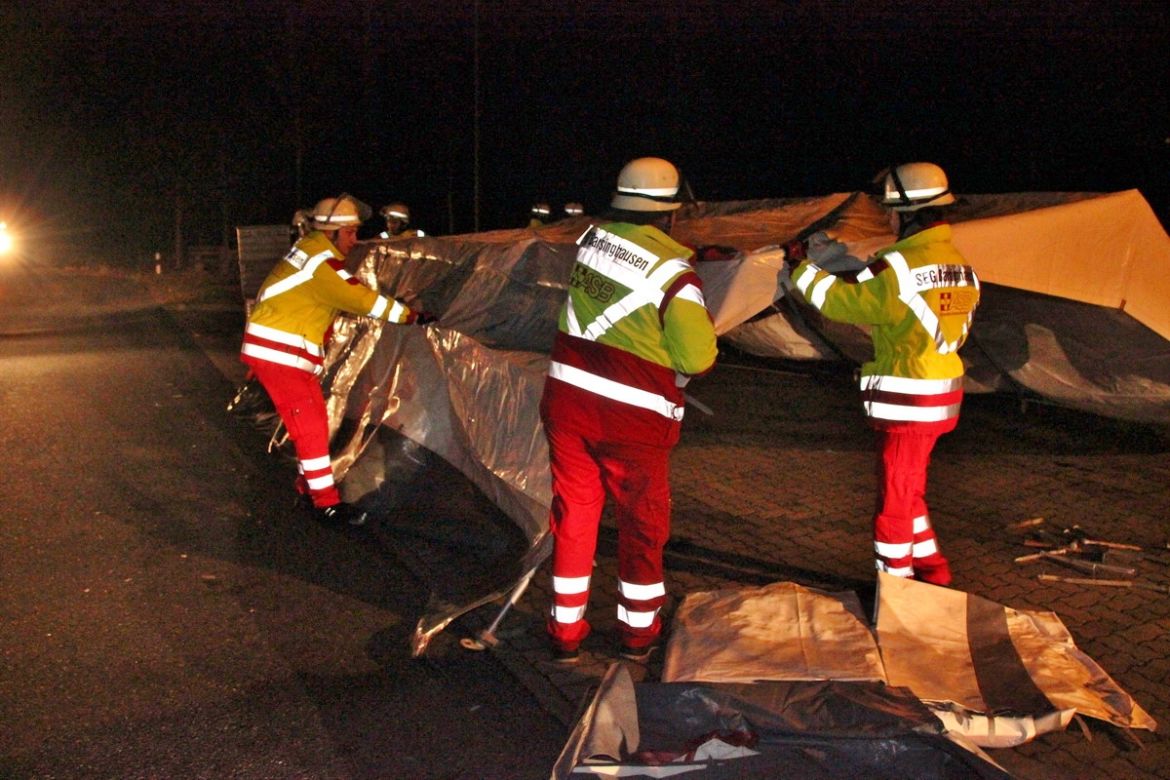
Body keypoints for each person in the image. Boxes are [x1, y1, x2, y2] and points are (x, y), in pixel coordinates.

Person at [541, 157, 718, 663]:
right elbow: (696, 358)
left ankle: (564, 631)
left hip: (568, 406)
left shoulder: (592, 243)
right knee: (641, 526)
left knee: (574, 516)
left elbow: (626, 272)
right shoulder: (676, 278)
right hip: (632, 420)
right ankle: (638, 634)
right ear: (671, 215)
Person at [785, 162, 980, 586]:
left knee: (893, 505)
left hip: (909, 400)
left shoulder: (899, 266)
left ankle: (897, 590)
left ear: (905, 214)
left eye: (891, 213)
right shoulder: (957, 261)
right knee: (910, 492)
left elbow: (842, 302)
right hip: (941, 396)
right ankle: (934, 570)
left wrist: (800, 268)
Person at [240, 194, 422, 527]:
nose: (355, 239)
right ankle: (325, 504)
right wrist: (412, 315)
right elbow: (362, 299)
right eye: (351, 232)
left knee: (314, 422)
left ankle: (310, 488)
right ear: (332, 232)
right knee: (309, 425)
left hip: (281, 352)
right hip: (280, 354)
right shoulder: (321, 265)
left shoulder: (312, 251)